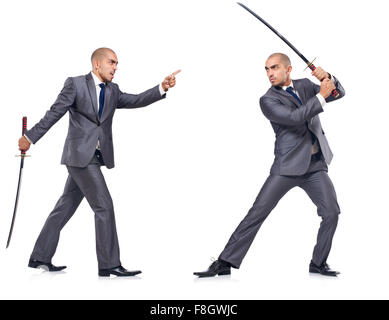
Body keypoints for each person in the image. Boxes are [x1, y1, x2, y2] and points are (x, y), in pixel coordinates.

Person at [18, 47, 180, 277]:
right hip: (79, 157)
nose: (115, 67)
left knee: (65, 206)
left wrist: (162, 87)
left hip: (94, 157)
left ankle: (39, 256)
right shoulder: (75, 84)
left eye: (116, 64)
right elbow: (55, 112)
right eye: (112, 62)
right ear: (97, 64)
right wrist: (29, 137)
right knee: (104, 206)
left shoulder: (112, 91)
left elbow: (136, 100)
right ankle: (109, 264)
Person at [194, 53, 345, 277]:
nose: (270, 74)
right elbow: (296, 117)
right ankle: (224, 261)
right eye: (266, 69)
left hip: (315, 165)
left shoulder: (304, 85)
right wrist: (321, 96)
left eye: (274, 68)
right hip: (287, 167)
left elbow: (338, 93)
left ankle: (318, 263)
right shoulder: (268, 100)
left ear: (288, 69)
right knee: (257, 213)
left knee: (332, 212)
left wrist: (328, 78)